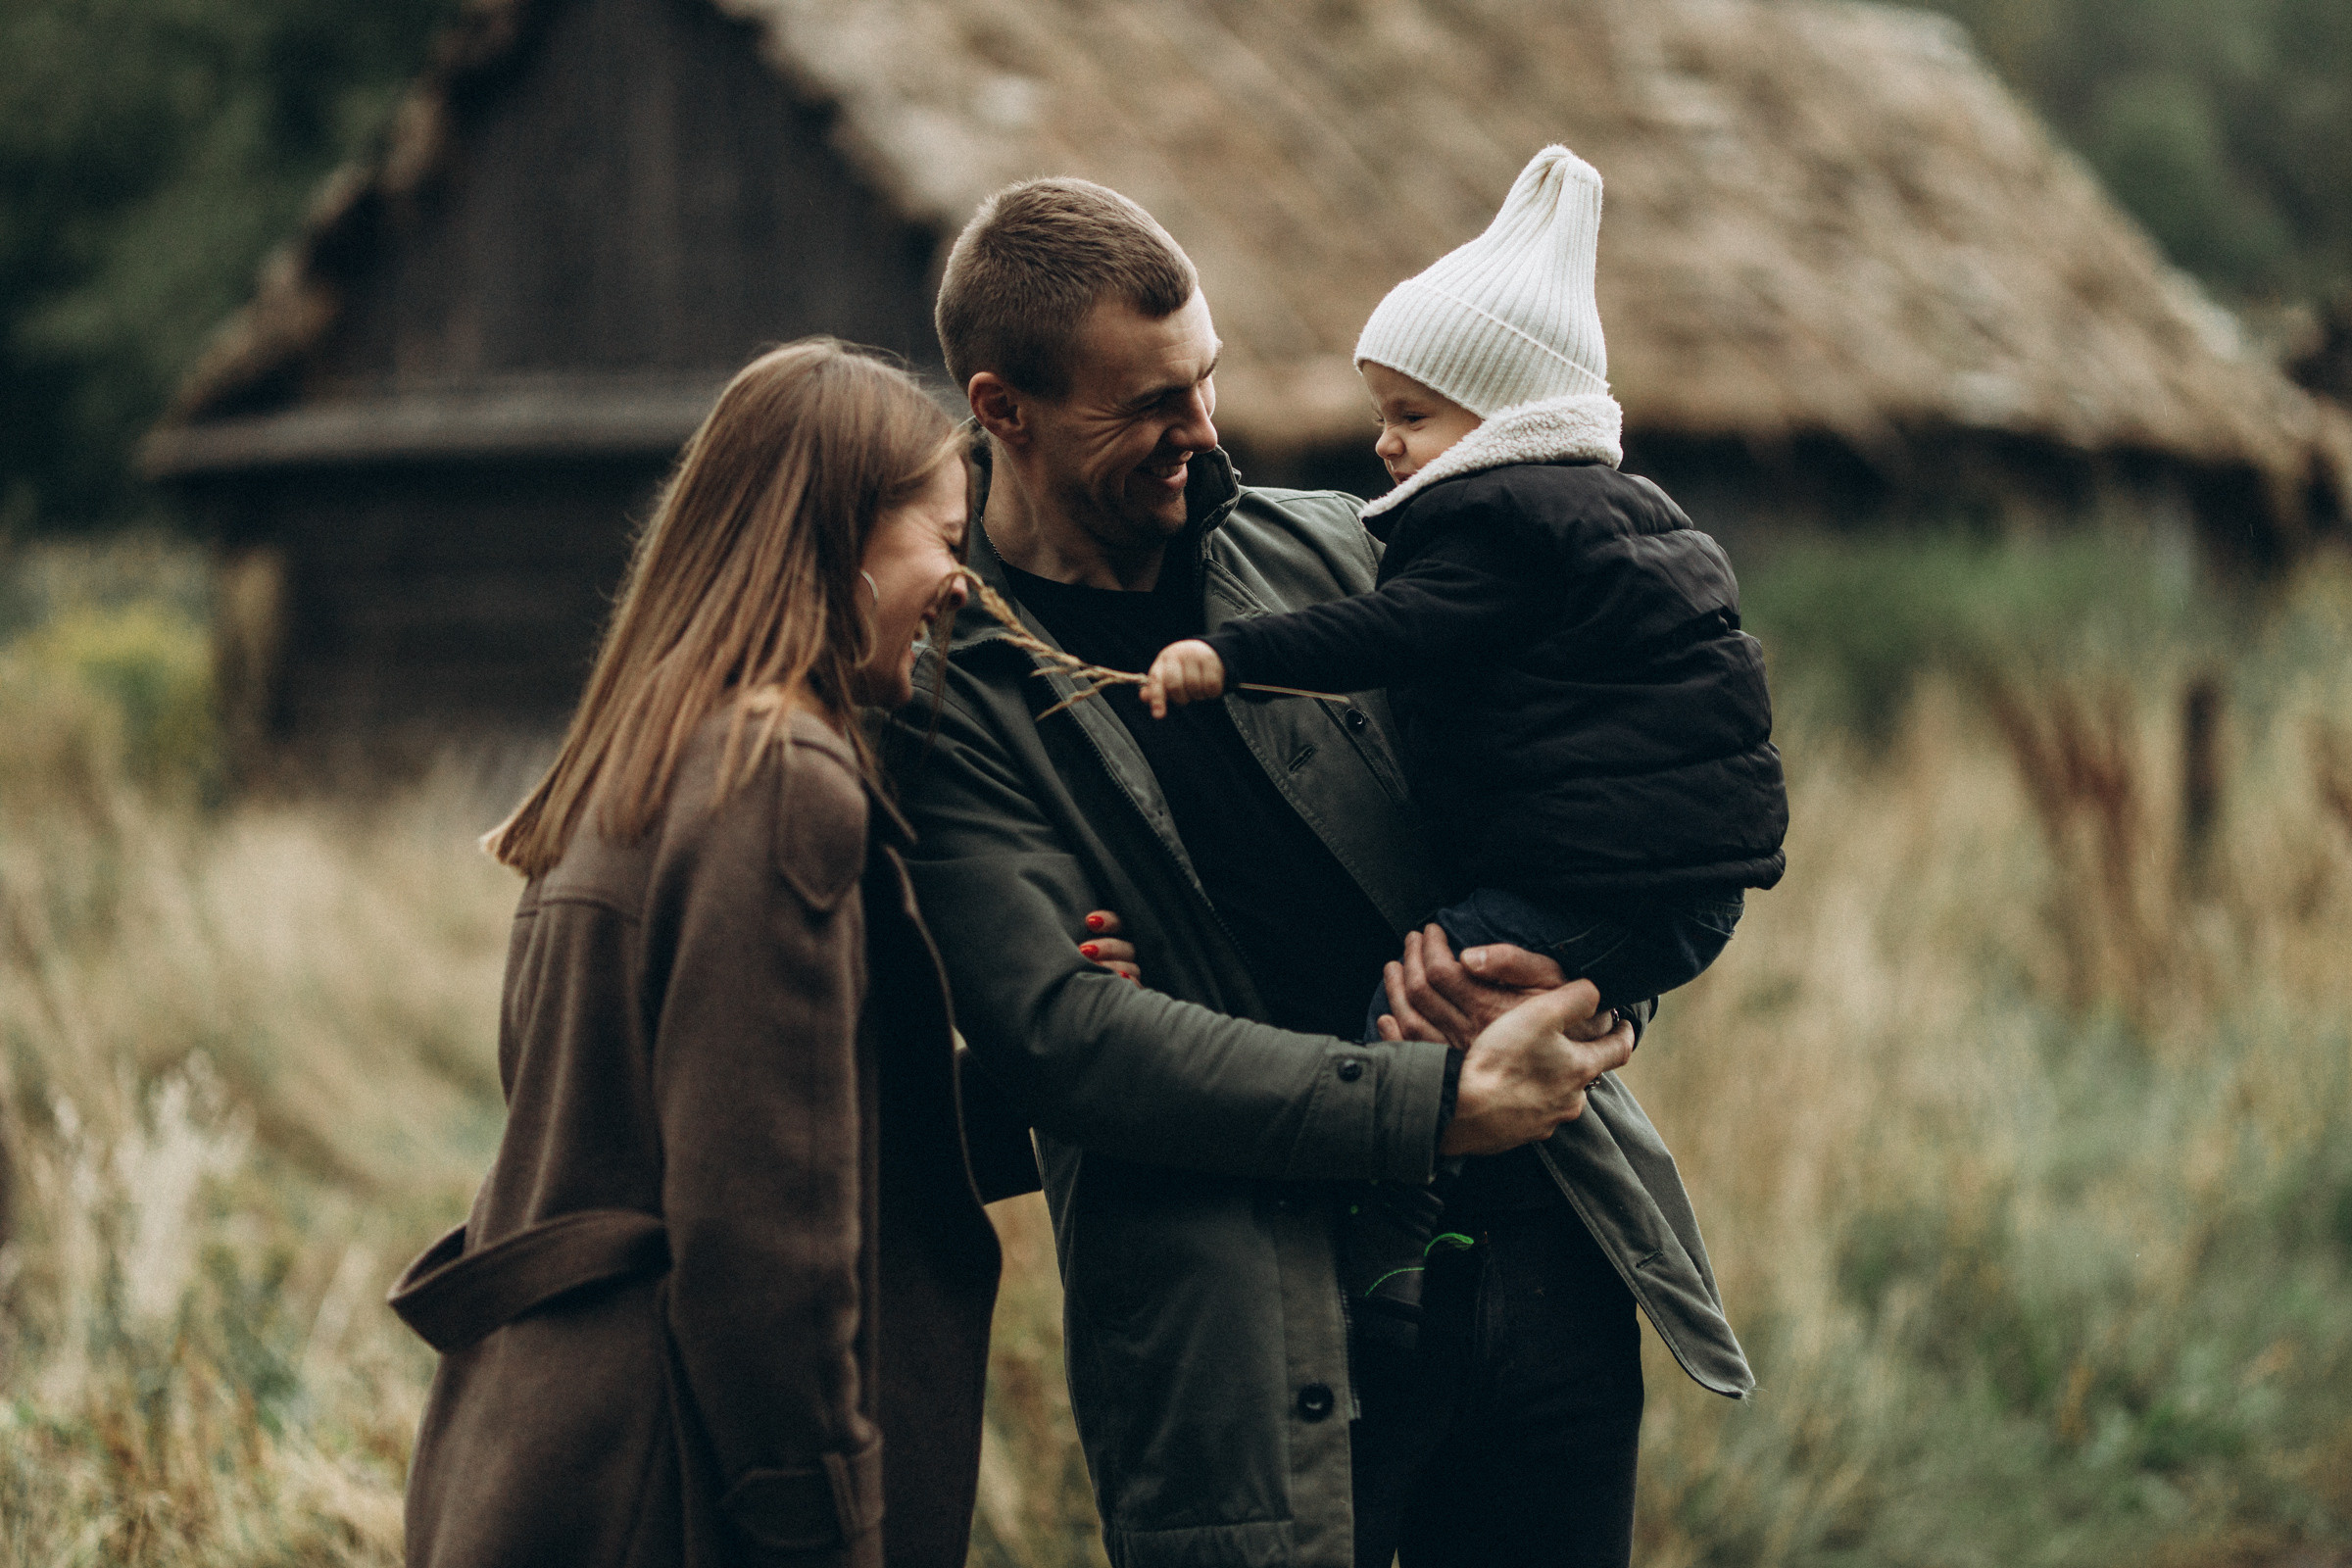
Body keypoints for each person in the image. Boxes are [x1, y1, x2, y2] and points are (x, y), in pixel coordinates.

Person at [891, 178, 1753, 1568]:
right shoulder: (956, 703)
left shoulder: (1358, 551)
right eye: (1149, 404)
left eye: (1207, 382)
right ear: (1003, 409)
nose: (1202, 432)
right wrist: (1427, 1104)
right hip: (1244, 1345)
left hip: (1544, 1266)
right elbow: (1071, 1050)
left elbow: (1616, 803)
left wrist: (1584, 992)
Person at [388, 340, 1067, 1568]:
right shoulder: (780, 780)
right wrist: (826, 1533)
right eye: (948, 543)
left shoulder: (640, 757)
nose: (960, 586)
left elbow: (725, 1128)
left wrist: (1061, 1061)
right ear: (841, 534)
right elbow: (761, 1245)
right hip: (677, 1491)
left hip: (550, 1456)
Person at [1140, 146, 1788, 1353]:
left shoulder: (1502, 526)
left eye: (1411, 416)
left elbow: (1393, 632)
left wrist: (1234, 655)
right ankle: (1462, 1182)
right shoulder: (1620, 521)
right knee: (1466, 999)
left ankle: (1391, 1254)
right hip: (1670, 884)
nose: (1384, 445)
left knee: (1400, 1010)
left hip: (1616, 886)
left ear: (1506, 421)